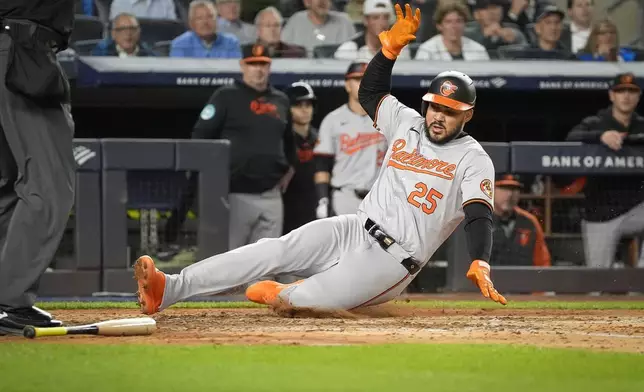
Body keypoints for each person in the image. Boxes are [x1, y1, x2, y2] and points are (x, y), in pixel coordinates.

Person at [133, 3, 507, 315]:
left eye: (450, 110)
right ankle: (170, 288)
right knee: (273, 248)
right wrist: (387, 52)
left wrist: (481, 259)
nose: (438, 116)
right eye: (434, 106)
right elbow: (371, 92)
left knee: (303, 301)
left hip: (393, 262)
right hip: (356, 227)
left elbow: (478, 215)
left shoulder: (473, 158)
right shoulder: (408, 121)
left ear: (467, 114)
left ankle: (288, 292)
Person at [162, 43, 296, 253]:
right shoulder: (225, 96)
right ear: (242, 66)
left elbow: (289, 141)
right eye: (253, 64)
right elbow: (201, 135)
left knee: (268, 261)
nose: (259, 69)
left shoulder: (281, 100)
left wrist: (290, 168)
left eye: (263, 64)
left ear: (269, 67)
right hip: (235, 193)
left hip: (271, 194)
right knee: (232, 258)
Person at [0, 0, 76, 334]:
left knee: (8, 186)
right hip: (20, 48)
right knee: (49, 185)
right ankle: (9, 302)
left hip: (14, 45)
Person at [566, 73, 644, 269]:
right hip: (601, 211)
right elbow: (571, 139)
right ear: (612, 95)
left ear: (638, 96)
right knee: (598, 282)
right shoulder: (597, 122)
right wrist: (601, 136)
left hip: (636, 208)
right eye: (621, 91)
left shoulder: (642, 125)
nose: (626, 96)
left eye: (631, 91)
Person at [313, 61, 387, 218]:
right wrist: (322, 199)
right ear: (347, 85)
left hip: (378, 199)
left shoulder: (386, 119)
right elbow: (322, 164)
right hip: (345, 198)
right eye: (358, 79)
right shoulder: (333, 120)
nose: (364, 84)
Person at [282, 82, 320, 234]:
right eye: (298, 105)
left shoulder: (321, 137)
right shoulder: (280, 138)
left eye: (308, 105)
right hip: (287, 203)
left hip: (313, 202)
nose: (304, 110)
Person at [491, 174, 551, 267]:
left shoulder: (529, 221)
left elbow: (542, 262)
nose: (510, 194)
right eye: (504, 188)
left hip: (523, 280)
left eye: (514, 189)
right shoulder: (480, 220)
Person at [334, 0, 412, 61]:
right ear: (365, 20)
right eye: (375, 18)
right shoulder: (349, 49)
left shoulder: (401, 49)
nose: (381, 23)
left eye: (385, 17)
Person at [414, 1, 489, 61]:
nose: (454, 26)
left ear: (464, 24)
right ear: (439, 26)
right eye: (448, 22)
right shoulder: (427, 50)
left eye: (458, 21)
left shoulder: (478, 50)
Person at [169, 0, 241, 58]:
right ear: (191, 23)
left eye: (210, 16)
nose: (205, 22)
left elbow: (235, 73)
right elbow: (178, 75)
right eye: (199, 18)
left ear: (217, 20)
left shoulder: (231, 42)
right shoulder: (179, 44)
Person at [91, 13, 158, 57]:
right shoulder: (101, 54)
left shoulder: (150, 55)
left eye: (132, 29)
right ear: (113, 34)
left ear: (139, 32)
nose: (128, 33)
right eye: (122, 29)